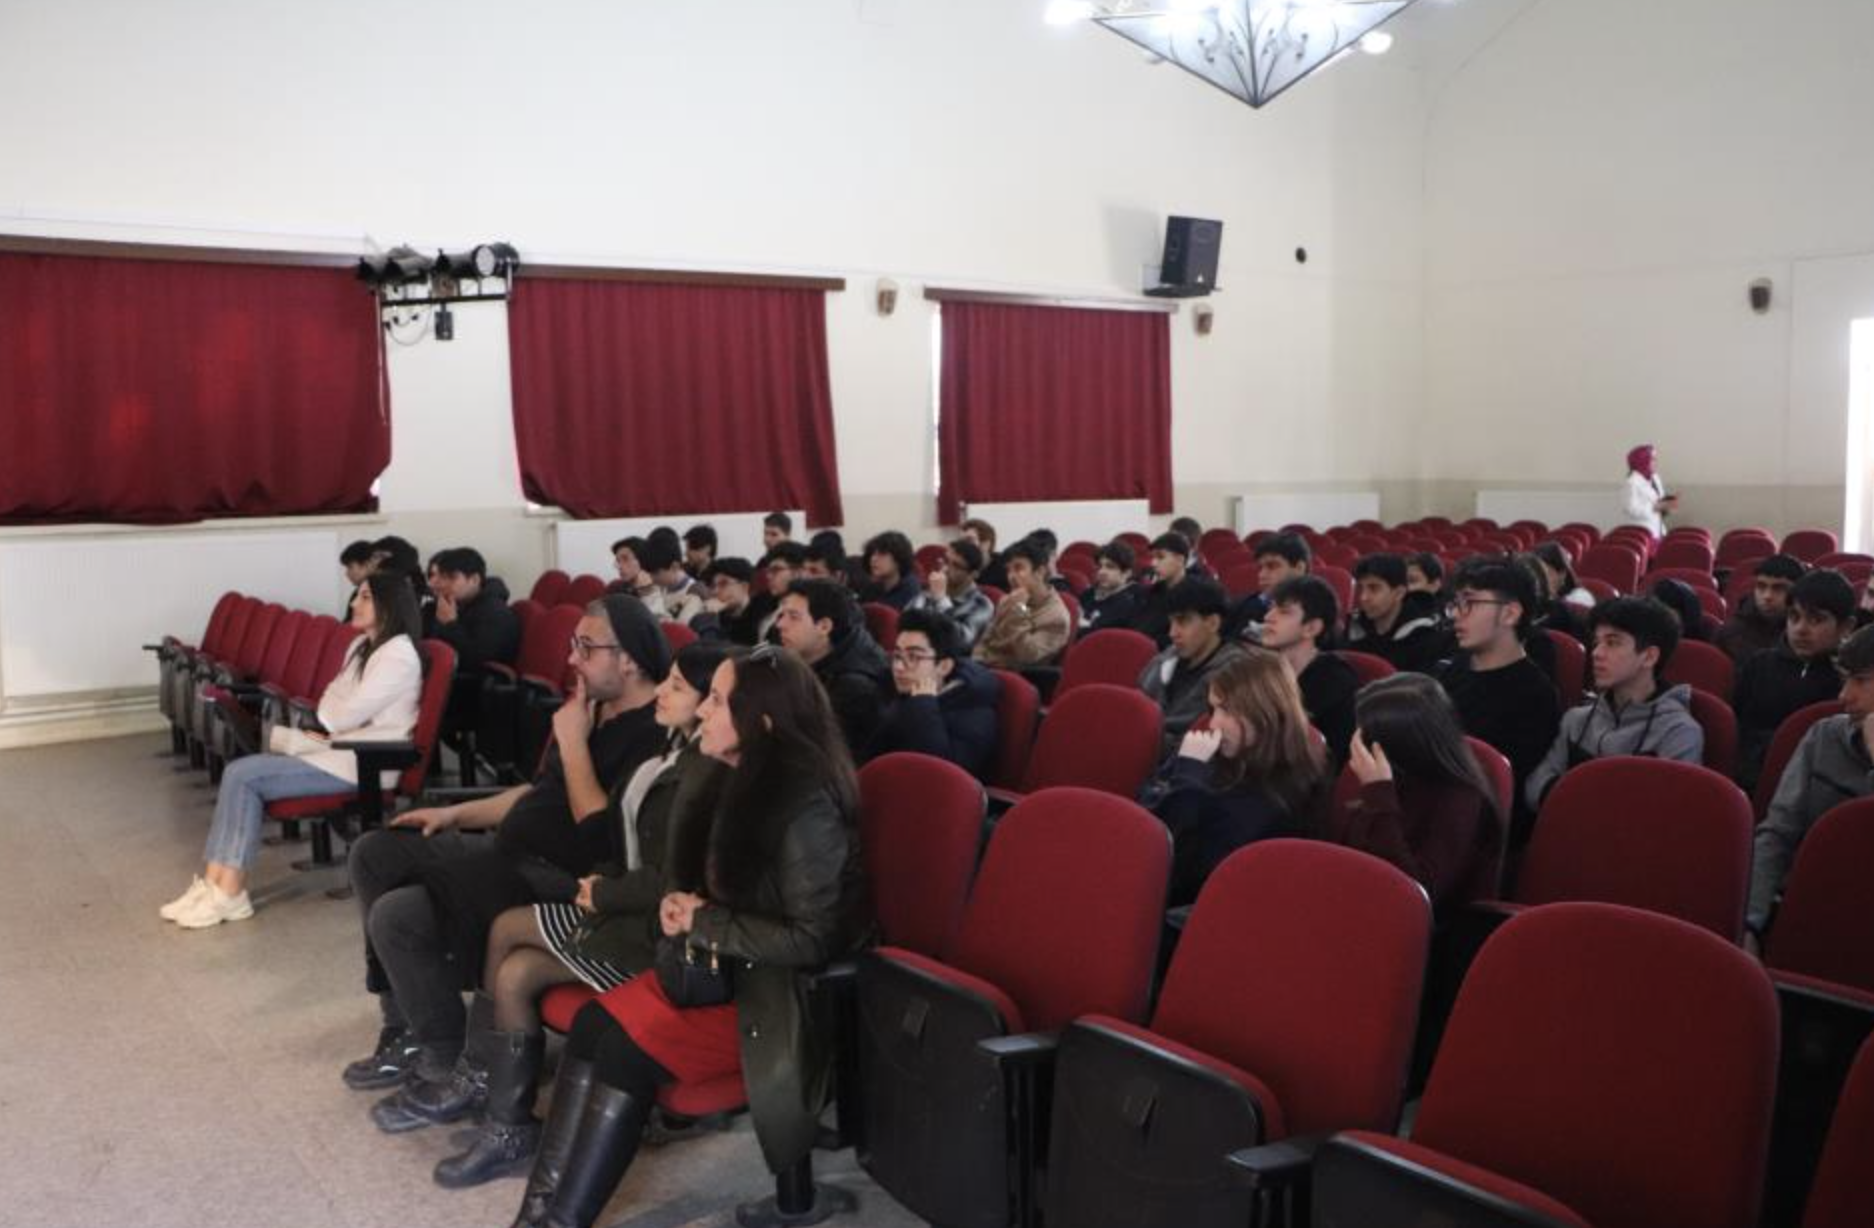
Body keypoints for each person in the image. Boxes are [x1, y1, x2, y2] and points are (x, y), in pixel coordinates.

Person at [506, 647, 867, 1228]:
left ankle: (559, 1223)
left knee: (623, 1051)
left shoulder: (805, 805)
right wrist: (687, 906)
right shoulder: (724, 771)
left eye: (718, 702)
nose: (702, 712)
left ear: (761, 723)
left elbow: (812, 939)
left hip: (777, 995)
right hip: (719, 967)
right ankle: (536, 1215)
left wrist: (703, 920)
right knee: (594, 1025)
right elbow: (698, 881)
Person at [340, 596, 670, 1111]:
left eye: (586, 648)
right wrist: (455, 814)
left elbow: (600, 837)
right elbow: (539, 794)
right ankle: (403, 1026)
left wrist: (573, 742)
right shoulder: (590, 710)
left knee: (398, 917)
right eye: (574, 645)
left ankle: (444, 1053)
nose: (572, 659)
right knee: (375, 853)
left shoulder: (654, 731)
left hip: (564, 877)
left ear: (628, 659)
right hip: (512, 851)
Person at [423, 641, 731, 1189]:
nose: (662, 691)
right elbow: (621, 835)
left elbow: (672, 878)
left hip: (653, 935)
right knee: (511, 952)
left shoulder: (705, 771)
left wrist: (605, 893)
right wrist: (602, 880)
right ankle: (499, 1108)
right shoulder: (671, 747)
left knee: (511, 945)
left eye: (678, 686)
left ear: (713, 701)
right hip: (626, 911)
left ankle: (492, 1099)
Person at [161, 571, 425, 929]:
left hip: (365, 761)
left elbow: (336, 715)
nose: (354, 604)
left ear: (389, 604)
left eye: (365, 597)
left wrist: (339, 712)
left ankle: (230, 891)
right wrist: (339, 712)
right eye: (356, 596)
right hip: (339, 750)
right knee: (239, 773)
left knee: (243, 775)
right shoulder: (361, 647)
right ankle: (213, 883)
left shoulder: (398, 655)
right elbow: (329, 702)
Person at [1142, 648, 1326, 906]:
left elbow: (1184, 867)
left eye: (1227, 711)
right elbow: (1144, 805)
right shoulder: (1219, 756)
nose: (1213, 724)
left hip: (1199, 905)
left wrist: (1188, 781)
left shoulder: (1280, 791)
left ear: (1265, 714)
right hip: (1154, 884)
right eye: (1214, 709)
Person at [1330, 673, 1507, 912]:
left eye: (1367, 736)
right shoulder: (1394, 776)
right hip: (1364, 901)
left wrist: (1379, 794)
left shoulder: (1460, 798)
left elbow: (1415, 892)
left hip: (1424, 921)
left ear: (1403, 745)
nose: (1358, 744)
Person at [1746, 625, 1874, 950]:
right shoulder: (1824, 737)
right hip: (1806, 905)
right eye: (1845, 679)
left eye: (1861, 681)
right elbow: (1777, 834)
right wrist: (1748, 923)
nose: (1844, 696)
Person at [1524, 596, 1705, 809]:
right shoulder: (1576, 719)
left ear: (1649, 657)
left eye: (1612, 643)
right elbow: (1534, 789)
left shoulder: (1678, 733)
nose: (1596, 653)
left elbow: (1665, 813)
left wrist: (1576, 799)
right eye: (1596, 643)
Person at [1435, 556, 1562, 848]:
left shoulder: (1535, 695)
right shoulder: (1453, 670)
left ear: (1510, 614)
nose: (1457, 615)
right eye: (1456, 604)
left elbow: (1500, 787)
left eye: (1470, 603)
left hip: (1480, 830)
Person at [1734, 569, 1856, 791]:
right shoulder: (1759, 665)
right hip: (1755, 778)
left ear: (1845, 627)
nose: (1801, 629)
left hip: (1821, 785)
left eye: (1816, 620)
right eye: (1794, 617)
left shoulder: (1851, 681)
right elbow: (1739, 730)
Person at [871, 607, 1002, 780]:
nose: (899, 667)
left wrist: (923, 706)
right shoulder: (897, 686)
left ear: (944, 666)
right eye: (897, 656)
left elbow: (941, 778)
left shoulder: (975, 712)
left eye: (914, 657)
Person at [774, 577, 893, 759]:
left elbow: (819, 754)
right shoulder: (815, 654)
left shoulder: (856, 688)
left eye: (793, 617)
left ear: (824, 626)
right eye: (782, 615)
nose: (780, 624)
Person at [1138, 577, 1249, 757]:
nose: (1172, 633)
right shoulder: (1166, 658)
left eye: (1182, 621)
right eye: (1171, 622)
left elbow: (1202, 741)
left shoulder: (1234, 673)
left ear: (1212, 623)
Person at [426, 547, 522, 752]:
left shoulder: (495, 613)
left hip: (478, 694)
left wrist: (450, 625)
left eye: (452, 578)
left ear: (475, 579)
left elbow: (477, 661)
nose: (444, 584)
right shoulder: (459, 605)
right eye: (443, 577)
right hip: (458, 686)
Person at [1259, 574, 1358, 762]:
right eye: (1271, 608)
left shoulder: (1335, 682)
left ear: (1311, 628)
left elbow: (1332, 758)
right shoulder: (1262, 671)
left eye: (1284, 612)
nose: (1268, 617)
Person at [974, 538, 1073, 669]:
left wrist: (1019, 608)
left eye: (1018, 568)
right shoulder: (1007, 599)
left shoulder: (1057, 617)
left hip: (1014, 674)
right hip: (983, 667)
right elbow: (986, 638)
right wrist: (976, 660)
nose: (1011, 576)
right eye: (1009, 570)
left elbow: (1027, 655)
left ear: (1040, 572)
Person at [1346, 553, 1450, 674]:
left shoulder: (1423, 633)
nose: (1363, 597)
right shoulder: (1355, 623)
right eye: (1360, 588)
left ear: (1399, 593)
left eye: (1374, 588)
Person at [905, 537, 995, 649]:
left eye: (956, 566)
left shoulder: (982, 605)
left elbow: (961, 642)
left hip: (952, 658)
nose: (946, 569)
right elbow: (905, 623)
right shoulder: (928, 592)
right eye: (946, 561)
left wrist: (941, 600)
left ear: (973, 574)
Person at [1717, 554, 1805, 664]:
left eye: (1779, 588)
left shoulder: (1808, 634)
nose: (1767, 596)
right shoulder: (1730, 633)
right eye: (1761, 586)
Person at [1225, 531, 1313, 637]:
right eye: (1260, 568)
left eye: (1272, 566)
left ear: (1299, 568)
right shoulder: (1242, 607)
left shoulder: (1321, 610)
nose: (1261, 575)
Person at [1078, 539, 1149, 637]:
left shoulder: (1134, 602)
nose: (1101, 572)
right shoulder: (1088, 594)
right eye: (1100, 566)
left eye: (1110, 567)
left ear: (1127, 573)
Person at [1136, 531, 1195, 646]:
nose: (1153, 563)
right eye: (1153, 557)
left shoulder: (1195, 596)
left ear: (1180, 560)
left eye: (1160, 557)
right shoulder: (1149, 593)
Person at [697, 558, 763, 646]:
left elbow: (715, 650)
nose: (715, 591)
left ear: (744, 587)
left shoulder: (760, 619)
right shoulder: (717, 615)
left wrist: (709, 617)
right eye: (713, 586)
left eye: (723, 584)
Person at [1620, 443, 1677, 537]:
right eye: (1652, 459)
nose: (1656, 462)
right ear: (1643, 461)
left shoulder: (1655, 478)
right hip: (1641, 531)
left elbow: (1658, 500)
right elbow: (1630, 509)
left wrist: (1667, 505)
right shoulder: (1631, 482)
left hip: (1657, 528)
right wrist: (1654, 507)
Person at [860, 530, 921, 610]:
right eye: (872, 554)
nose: (873, 559)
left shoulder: (910, 592)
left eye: (882, 554)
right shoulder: (872, 588)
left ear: (898, 558)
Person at [1531, 541, 1595, 612]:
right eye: (1536, 571)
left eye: (1545, 573)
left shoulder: (1579, 598)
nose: (1539, 578)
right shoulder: (1536, 594)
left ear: (1562, 574)